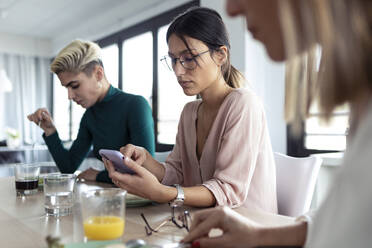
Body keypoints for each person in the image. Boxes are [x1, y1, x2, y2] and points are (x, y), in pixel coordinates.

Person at [182, 0, 372, 247]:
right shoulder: (362, 103)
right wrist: (258, 237)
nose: (231, 9)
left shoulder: (243, 102)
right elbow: (349, 226)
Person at [104, 7, 277, 211]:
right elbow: (177, 173)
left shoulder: (243, 104)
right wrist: (145, 160)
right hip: (206, 223)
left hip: (250, 228)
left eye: (189, 58)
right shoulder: (189, 112)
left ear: (221, 55)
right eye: (174, 59)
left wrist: (162, 194)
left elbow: (229, 190)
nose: (178, 70)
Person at [27, 40, 155, 183]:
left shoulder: (136, 105)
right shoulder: (90, 116)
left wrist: (99, 176)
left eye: (74, 85)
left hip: (139, 201)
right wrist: (50, 130)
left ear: (98, 74)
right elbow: (68, 167)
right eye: (66, 88)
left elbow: (147, 173)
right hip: (110, 197)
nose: (69, 96)